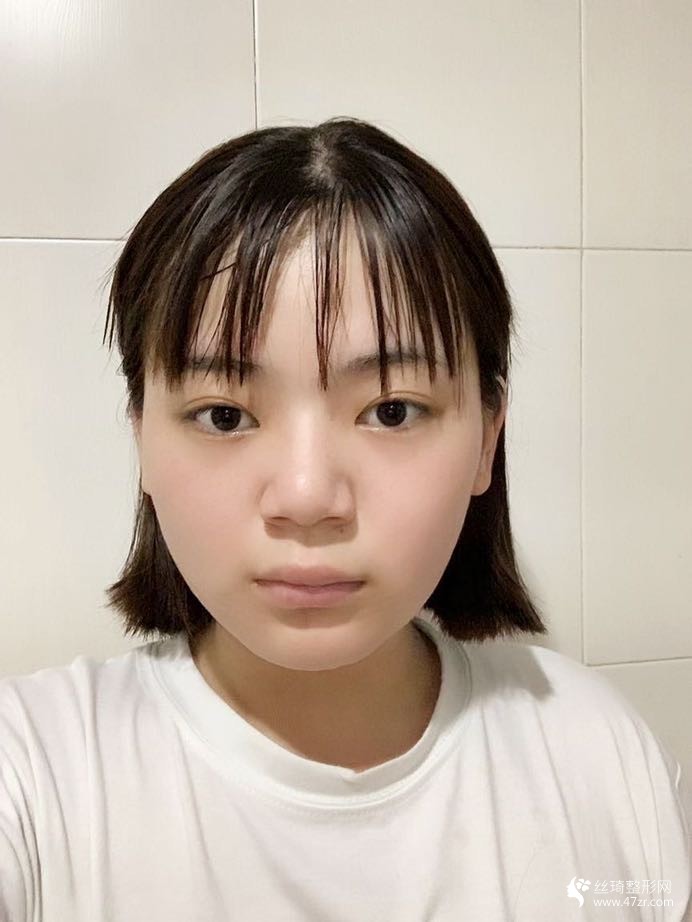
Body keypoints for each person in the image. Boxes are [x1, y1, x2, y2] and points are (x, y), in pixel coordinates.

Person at [0, 117, 689, 921]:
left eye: (392, 411)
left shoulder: (602, 756)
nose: (306, 497)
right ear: (141, 439)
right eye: (224, 415)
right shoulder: (34, 775)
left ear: (486, 440)